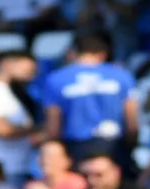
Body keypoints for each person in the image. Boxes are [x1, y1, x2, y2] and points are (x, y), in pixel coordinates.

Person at [40, 31, 138, 163]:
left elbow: (53, 126)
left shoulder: (56, 79)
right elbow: (131, 120)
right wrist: (130, 145)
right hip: (114, 145)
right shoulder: (122, 75)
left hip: (76, 147)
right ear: (103, 54)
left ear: (73, 52)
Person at [11, 139, 86, 189]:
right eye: (42, 155)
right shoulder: (34, 185)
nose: (46, 160)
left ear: (67, 161)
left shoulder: (77, 184)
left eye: (51, 156)